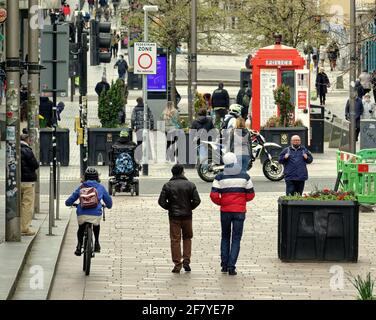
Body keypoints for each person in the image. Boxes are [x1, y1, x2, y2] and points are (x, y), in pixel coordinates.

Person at [210, 152, 255, 276]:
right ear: (235, 161)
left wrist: (222, 202)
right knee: (236, 238)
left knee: (225, 237)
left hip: (225, 211)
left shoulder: (219, 177)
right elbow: (251, 195)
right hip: (239, 211)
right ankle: (231, 266)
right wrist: (241, 201)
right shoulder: (245, 176)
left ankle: (224, 265)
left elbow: (213, 195)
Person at [158, 164, 201, 273]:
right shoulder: (190, 185)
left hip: (174, 217)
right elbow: (197, 200)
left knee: (175, 240)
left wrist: (170, 208)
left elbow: (161, 202)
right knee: (187, 238)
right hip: (187, 216)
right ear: (182, 172)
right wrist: (189, 207)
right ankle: (186, 261)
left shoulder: (167, 185)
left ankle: (177, 264)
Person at [65, 168, 113, 256]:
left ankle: (79, 246)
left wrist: (69, 203)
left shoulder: (81, 187)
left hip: (82, 213)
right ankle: (97, 243)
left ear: (85, 177)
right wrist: (108, 206)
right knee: (96, 225)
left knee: (81, 228)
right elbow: (109, 203)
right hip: (96, 214)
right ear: (97, 177)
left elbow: (70, 200)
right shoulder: (100, 187)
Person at [20, 133, 39, 236]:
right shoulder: (27, 150)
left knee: (18, 204)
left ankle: (17, 225)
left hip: (17, 182)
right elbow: (35, 165)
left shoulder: (14, 149)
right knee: (27, 205)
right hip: (27, 182)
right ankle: (24, 228)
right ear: (27, 140)